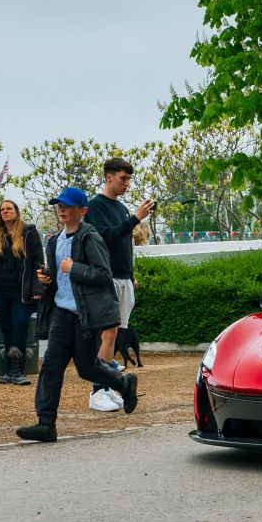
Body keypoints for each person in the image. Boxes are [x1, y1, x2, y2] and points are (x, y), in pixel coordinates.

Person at [16, 187, 138, 444]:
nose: (61, 210)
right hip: (61, 313)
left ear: (82, 211)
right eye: (59, 205)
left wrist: (75, 269)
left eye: (67, 206)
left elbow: (104, 274)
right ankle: (46, 424)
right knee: (51, 367)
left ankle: (125, 385)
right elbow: (58, 276)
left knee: (87, 368)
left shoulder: (90, 237)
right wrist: (46, 277)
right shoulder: (55, 240)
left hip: (85, 315)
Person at [86, 157, 154, 413]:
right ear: (108, 177)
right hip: (107, 278)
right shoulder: (96, 206)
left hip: (124, 278)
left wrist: (130, 273)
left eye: (128, 179)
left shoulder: (121, 207)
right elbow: (105, 238)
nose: (126, 183)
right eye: (123, 178)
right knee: (106, 335)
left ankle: (107, 386)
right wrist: (136, 217)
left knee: (116, 336)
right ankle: (96, 391)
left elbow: (126, 244)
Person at [0, 199, 44, 385]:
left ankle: (19, 370)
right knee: (6, 329)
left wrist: (38, 288)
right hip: (0, 292)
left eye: (9, 208)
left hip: (22, 292)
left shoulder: (29, 233)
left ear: (16, 211)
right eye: (2, 210)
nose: (5, 212)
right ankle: (9, 369)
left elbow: (38, 261)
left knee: (20, 325)